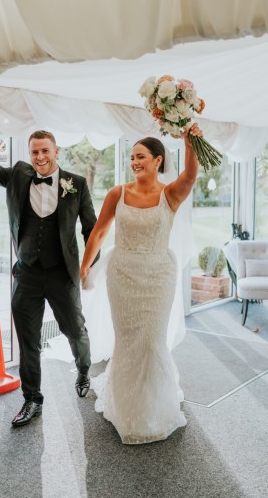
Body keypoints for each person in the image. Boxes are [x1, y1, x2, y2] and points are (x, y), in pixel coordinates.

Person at [0, 113, 98, 427]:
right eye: (35, 152)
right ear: (29, 155)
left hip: (62, 274)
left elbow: (91, 228)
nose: (40, 157)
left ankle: (84, 369)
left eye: (45, 151)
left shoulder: (77, 185)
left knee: (75, 330)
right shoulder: (18, 175)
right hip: (28, 274)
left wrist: (89, 266)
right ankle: (32, 400)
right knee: (28, 340)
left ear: (57, 151)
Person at [80, 124, 201, 444]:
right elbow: (99, 232)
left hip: (159, 276)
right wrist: (85, 265)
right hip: (122, 275)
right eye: (132, 157)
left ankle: (156, 407)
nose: (135, 161)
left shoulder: (170, 194)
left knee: (151, 339)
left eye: (141, 156)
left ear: (158, 160)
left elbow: (190, 175)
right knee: (129, 340)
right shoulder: (117, 193)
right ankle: (126, 407)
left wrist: (191, 142)